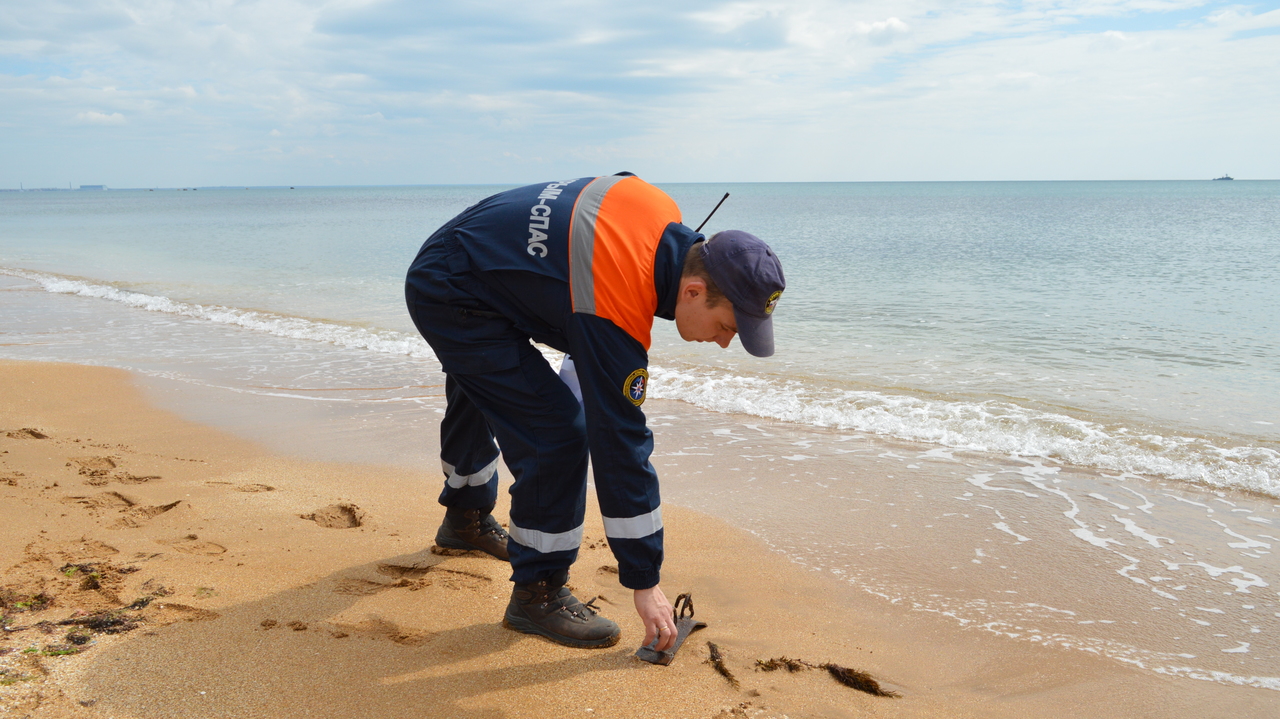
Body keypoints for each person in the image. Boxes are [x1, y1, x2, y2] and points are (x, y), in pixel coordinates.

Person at [405, 172, 784, 651]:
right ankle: (537, 594)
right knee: (557, 433)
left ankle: (464, 518)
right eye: (728, 325)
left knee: (485, 385)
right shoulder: (615, 305)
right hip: (450, 291)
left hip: (477, 256)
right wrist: (644, 580)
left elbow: (608, 201)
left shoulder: (658, 212)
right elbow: (620, 443)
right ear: (691, 291)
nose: (727, 342)